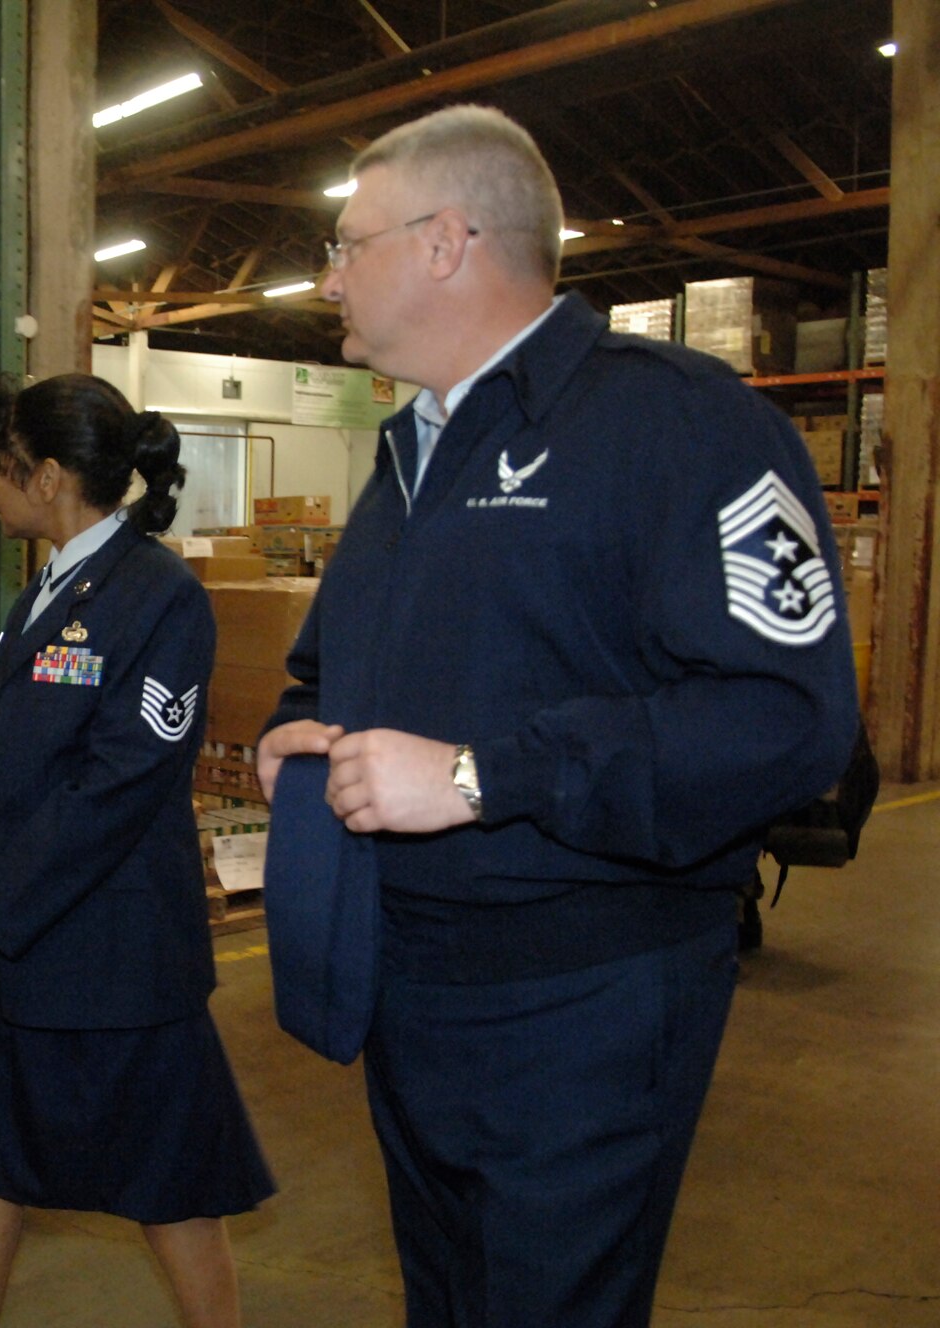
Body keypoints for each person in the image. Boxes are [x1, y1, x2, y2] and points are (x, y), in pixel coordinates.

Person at [256, 106, 859, 1328]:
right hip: (409, 985)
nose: (324, 277)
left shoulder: (677, 426)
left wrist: (483, 773)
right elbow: (331, 670)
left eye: (344, 241)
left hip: (582, 997)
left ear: (445, 241)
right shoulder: (406, 457)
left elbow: (785, 717)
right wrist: (296, 727)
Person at [0, 374, 274, 1328]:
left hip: (113, 958)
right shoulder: (39, 591)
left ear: (44, 477)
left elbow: (119, 785)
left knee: (170, 1182)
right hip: (5, 947)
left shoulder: (159, 597)